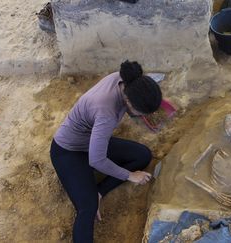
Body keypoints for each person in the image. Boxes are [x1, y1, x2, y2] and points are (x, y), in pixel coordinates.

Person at [50, 60, 162, 242]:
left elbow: (144, 93)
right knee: (88, 208)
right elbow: (97, 160)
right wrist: (130, 176)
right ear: (128, 100)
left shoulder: (127, 80)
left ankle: (99, 190)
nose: (142, 116)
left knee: (143, 155)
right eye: (140, 112)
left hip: (92, 140)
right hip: (68, 150)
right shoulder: (106, 113)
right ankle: (91, 197)